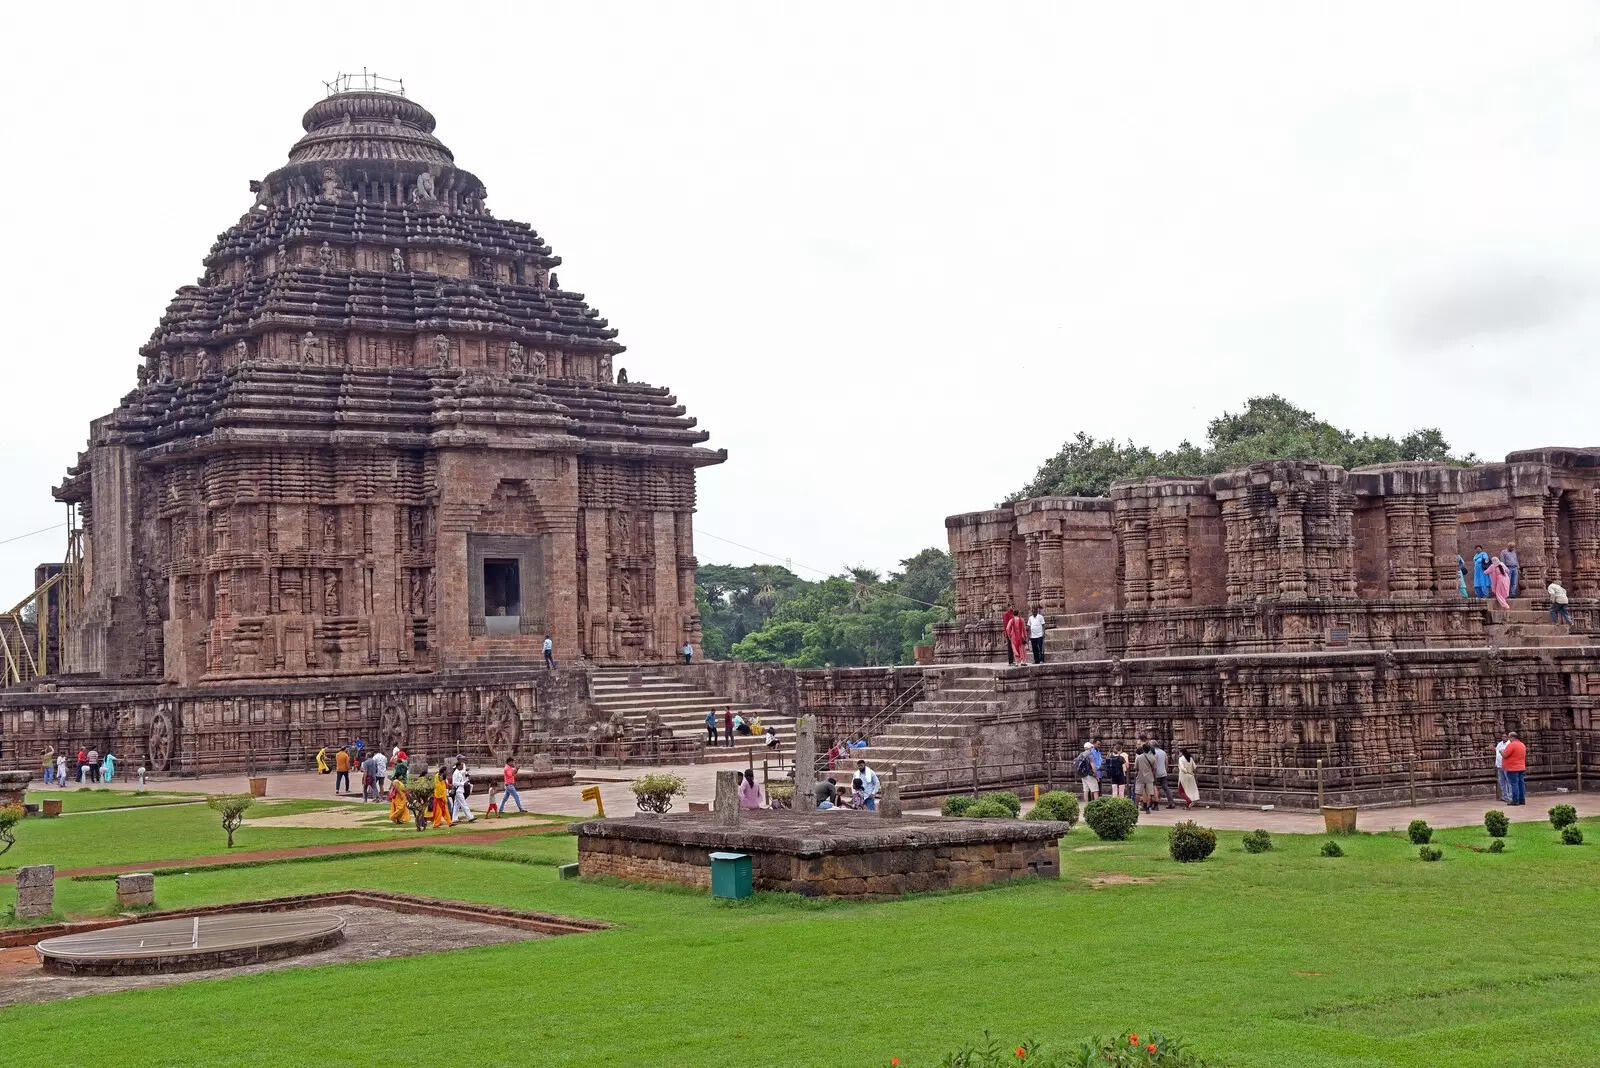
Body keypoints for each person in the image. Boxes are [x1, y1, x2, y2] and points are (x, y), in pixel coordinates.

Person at [1501, 731, 1527, 805]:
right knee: (1521, 783)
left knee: (1514, 784)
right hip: (1521, 767)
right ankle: (1522, 799)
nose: (1508, 739)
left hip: (1512, 768)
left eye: (1509, 737)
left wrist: (1501, 751)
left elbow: (1505, 755)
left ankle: (1515, 800)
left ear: (1512, 737)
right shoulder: (1522, 745)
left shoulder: (1512, 745)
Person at [1134, 744, 1159, 813]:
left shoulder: (1138, 757)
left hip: (1140, 777)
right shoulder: (1153, 757)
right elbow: (1155, 768)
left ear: (1143, 749)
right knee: (1149, 793)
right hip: (1149, 777)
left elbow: (1136, 768)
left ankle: (1135, 807)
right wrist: (1152, 774)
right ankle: (1147, 808)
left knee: (1138, 793)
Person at [1152, 739, 1174, 809]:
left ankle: (1155, 804)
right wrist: (1165, 770)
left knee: (1154, 788)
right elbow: (1166, 762)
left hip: (1155, 773)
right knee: (1166, 788)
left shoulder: (1153, 752)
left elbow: (1153, 764)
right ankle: (1171, 802)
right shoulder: (1163, 752)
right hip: (1163, 772)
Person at [1494, 733, 1511, 804]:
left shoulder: (1509, 744)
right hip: (1499, 765)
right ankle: (1504, 796)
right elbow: (1497, 751)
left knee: (1508, 781)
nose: (1503, 738)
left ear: (1508, 737)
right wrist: (1493, 749)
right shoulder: (1500, 744)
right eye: (1502, 736)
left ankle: (1510, 797)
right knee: (1502, 781)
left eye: (1505, 736)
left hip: (1506, 765)